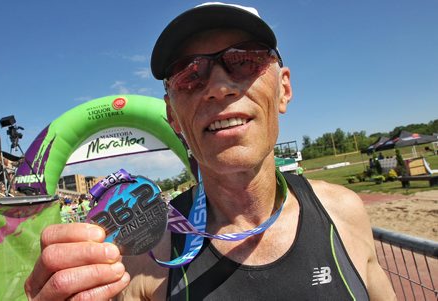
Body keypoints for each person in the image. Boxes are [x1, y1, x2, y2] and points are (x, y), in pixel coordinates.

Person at [25, 3, 396, 300]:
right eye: (189, 74)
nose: (218, 87)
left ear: (283, 88)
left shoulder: (343, 213)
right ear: (173, 115)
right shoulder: (144, 259)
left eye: (245, 60)